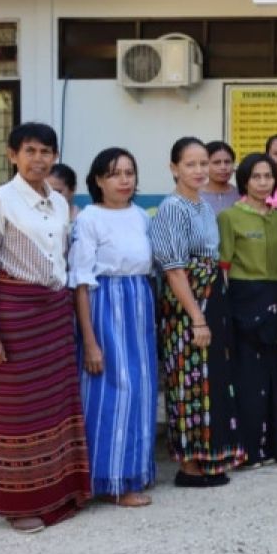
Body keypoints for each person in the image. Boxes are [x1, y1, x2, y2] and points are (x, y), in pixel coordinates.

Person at [0, 123, 90, 532]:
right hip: (16, 317)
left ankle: (59, 493)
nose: (39, 159)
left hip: (54, 314)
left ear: (55, 156)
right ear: (13, 155)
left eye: (46, 151)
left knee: (55, 403)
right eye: (31, 151)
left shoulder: (58, 202)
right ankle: (21, 504)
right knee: (18, 410)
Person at [150, 136, 246, 487]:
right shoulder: (171, 208)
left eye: (203, 163)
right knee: (188, 382)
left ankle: (210, 456)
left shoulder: (203, 206)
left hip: (211, 297)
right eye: (190, 164)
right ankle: (189, 465)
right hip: (186, 307)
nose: (200, 170)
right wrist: (197, 317)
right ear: (174, 168)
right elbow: (175, 269)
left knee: (212, 380)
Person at [70, 148, 157, 508]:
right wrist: (90, 341)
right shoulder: (89, 218)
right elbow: (80, 280)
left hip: (139, 305)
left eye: (129, 172)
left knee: (141, 391)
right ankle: (108, 480)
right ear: (98, 181)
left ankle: (134, 473)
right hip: (105, 306)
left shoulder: (140, 216)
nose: (124, 180)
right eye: (114, 173)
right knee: (112, 393)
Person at [219, 153, 277, 468]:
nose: (263, 182)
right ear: (244, 181)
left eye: (268, 176)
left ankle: (274, 445)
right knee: (247, 375)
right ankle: (248, 449)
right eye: (256, 176)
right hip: (244, 298)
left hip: (276, 296)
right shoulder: (230, 217)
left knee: (273, 374)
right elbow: (223, 267)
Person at [201, 140, 240, 215]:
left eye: (227, 162)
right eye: (217, 162)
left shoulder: (241, 196)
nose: (223, 167)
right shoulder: (194, 197)